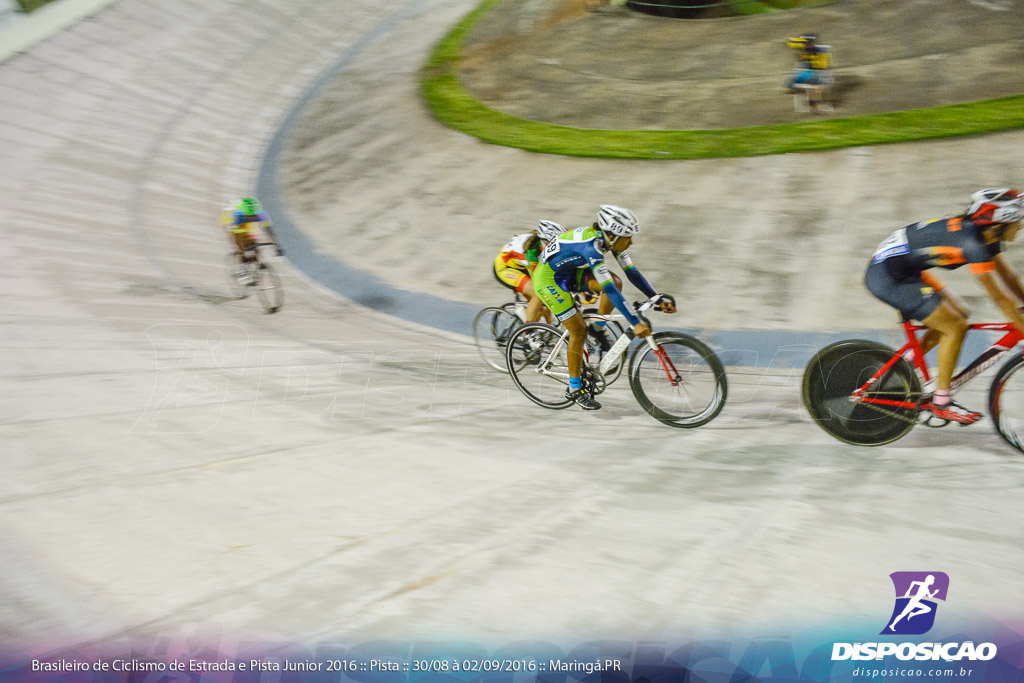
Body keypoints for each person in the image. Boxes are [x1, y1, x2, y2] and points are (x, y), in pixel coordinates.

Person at [865, 188, 1024, 424]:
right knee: (955, 326)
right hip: (888, 277)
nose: (1020, 227)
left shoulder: (985, 236)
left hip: (904, 268)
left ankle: (904, 365)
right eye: (1017, 222)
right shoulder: (972, 244)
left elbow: (1008, 277)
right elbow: (999, 297)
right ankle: (941, 402)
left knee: (958, 313)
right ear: (998, 224)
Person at [533, 205, 676, 410]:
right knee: (578, 330)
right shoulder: (591, 247)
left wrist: (657, 297)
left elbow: (632, 272)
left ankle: (598, 329)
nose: (631, 241)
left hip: (569, 270)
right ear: (614, 235)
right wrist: (634, 322)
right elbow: (608, 289)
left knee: (617, 281)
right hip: (548, 280)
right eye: (628, 236)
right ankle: (574, 389)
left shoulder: (610, 241)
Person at [493, 220, 564, 323]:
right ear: (545, 242)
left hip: (522, 266)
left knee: (545, 307)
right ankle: (528, 331)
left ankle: (549, 333)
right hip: (505, 268)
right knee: (538, 293)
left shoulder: (544, 244)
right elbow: (539, 280)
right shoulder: (532, 253)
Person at [222, 197, 283, 282]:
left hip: (245, 223)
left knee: (254, 240)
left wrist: (276, 245)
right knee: (240, 244)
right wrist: (241, 249)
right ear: (245, 213)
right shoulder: (237, 215)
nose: (251, 217)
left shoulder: (261, 214)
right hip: (231, 221)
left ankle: (255, 262)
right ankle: (241, 269)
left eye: (253, 216)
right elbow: (233, 233)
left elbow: (269, 230)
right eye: (249, 216)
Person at [785, 33, 833, 111]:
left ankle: (816, 105)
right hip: (809, 72)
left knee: (815, 87)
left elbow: (823, 68)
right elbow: (789, 42)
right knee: (810, 87)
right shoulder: (804, 49)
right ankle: (814, 104)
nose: (807, 45)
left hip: (819, 72)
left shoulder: (820, 51)